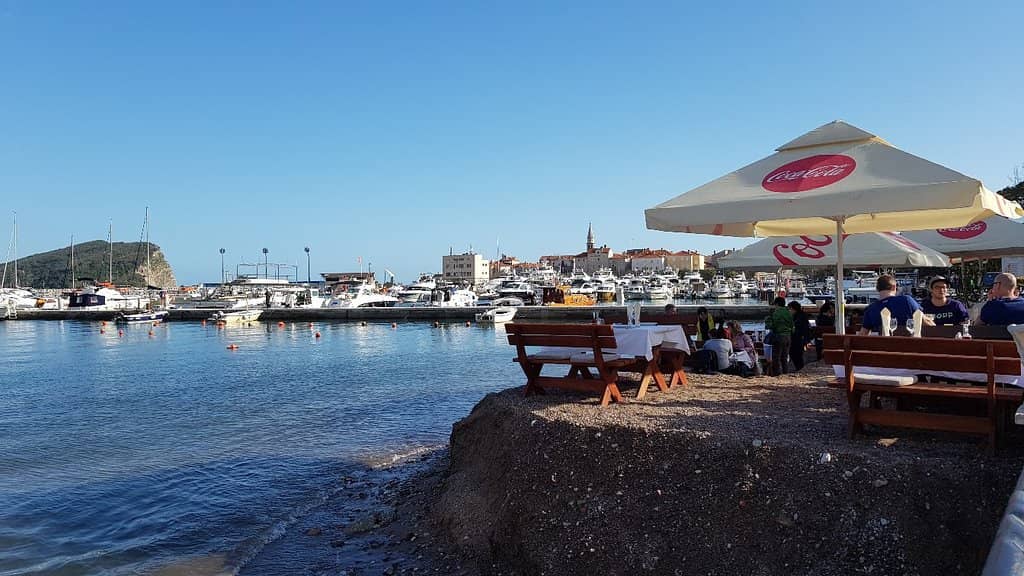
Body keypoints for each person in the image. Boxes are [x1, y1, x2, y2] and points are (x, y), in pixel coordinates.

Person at [858, 274, 922, 335]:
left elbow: (863, 333)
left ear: (877, 289)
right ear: (894, 287)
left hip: (882, 345)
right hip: (909, 344)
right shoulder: (907, 300)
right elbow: (924, 321)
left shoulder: (870, 309)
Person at [764, 296, 793, 375]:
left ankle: (777, 374)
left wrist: (767, 320)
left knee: (776, 357)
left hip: (779, 336)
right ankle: (785, 373)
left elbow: (771, 326)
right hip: (788, 336)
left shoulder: (776, 313)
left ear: (777, 304)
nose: (774, 307)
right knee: (784, 357)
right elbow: (792, 325)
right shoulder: (788, 312)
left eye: (775, 305)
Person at [788, 301, 811, 371]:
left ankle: (799, 368)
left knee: (796, 354)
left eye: (790, 309)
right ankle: (799, 367)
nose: (789, 311)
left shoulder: (799, 317)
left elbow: (800, 328)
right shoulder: (800, 315)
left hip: (798, 338)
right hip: (800, 338)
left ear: (794, 309)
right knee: (796, 354)